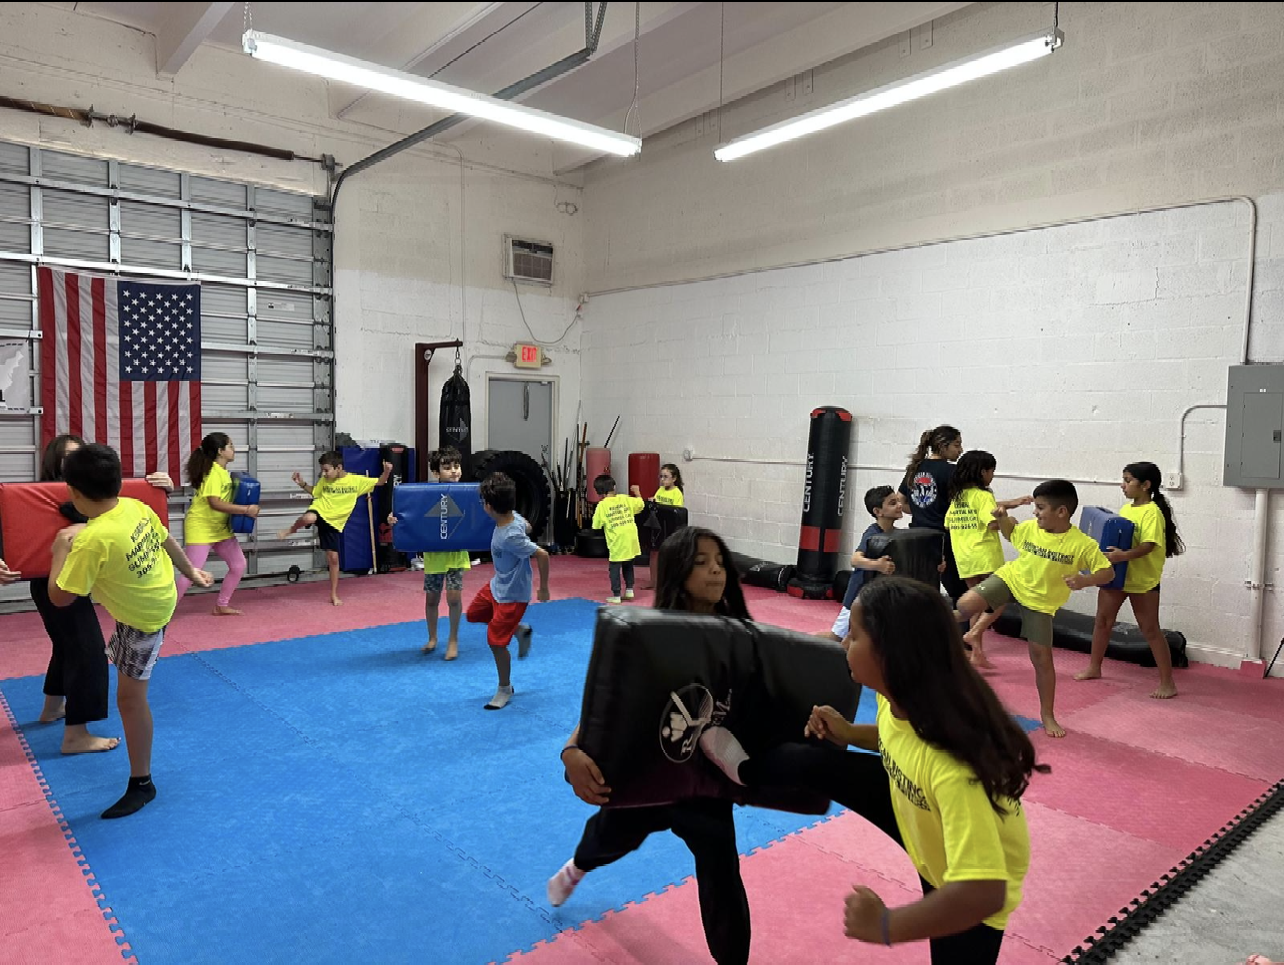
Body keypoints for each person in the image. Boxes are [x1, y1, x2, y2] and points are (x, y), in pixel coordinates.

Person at [701, 576, 1046, 965]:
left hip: (966, 882)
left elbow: (984, 892)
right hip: (914, 805)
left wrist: (885, 925)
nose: (845, 645)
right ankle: (743, 770)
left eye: (855, 636)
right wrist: (849, 733)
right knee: (807, 761)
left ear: (891, 653)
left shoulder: (954, 771)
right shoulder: (899, 697)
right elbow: (896, 736)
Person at [548, 526, 752, 965]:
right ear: (679, 573)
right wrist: (570, 754)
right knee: (608, 837)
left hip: (703, 785)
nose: (715, 569)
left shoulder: (740, 637)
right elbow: (603, 706)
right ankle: (579, 865)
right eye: (701, 562)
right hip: (647, 774)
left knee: (722, 873)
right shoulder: (645, 636)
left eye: (720, 559)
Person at [47, 443, 212, 818]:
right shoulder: (135, 506)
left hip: (145, 617)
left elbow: (59, 598)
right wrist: (191, 572)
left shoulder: (91, 540)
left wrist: (60, 549)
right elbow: (166, 539)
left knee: (130, 700)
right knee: (120, 662)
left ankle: (143, 783)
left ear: (72, 491)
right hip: (156, 596)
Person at [31, 434, 170, 754]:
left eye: (81, 457)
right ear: (55, 465)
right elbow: (15, 531)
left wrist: (161, 487)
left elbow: (122, 506)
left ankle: (53, 707)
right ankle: (76, 735)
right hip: (50, 580)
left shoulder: (93, 499)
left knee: (67, 646)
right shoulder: (37, 499)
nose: (76, 464)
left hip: (77, 579)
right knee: (89, 650)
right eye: (67, 459)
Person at [955, 480, 1114, 738]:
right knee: (964, 606)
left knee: (1041, 660)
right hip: (1011, 578)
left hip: (1040, 602)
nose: (1035, 512)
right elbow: (1010, 533)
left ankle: (1047, 715)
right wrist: (1004, 518)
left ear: (1061, 512)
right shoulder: (1030, 528)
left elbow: (1107, 572)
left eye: (1040, 508)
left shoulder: (1082, 544)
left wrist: (1085, 580)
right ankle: (922, 630)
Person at [1075, 461, 1185, 698]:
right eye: (1123, 480)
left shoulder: (1152, 512)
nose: (1122, 485)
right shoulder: (1127, 509)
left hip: (1143, 580)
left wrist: (1122, 555)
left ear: (1145, 485)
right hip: (1118, 575)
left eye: (1127, 481)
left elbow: (1148, 545)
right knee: (1103, 620)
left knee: (1150, 629)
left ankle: (1168, 682)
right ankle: (1094, 667)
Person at [465, 473, 549, 710]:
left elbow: (542, 555)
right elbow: (528, 525)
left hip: (513, 596)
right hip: (496, 587)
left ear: (488, 507)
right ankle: (519, 630)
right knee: (473, 614)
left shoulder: (510, 535)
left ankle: (505, 688)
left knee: (495, 642)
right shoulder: (514, 518)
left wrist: (543, 588)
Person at [944, 451, 1032, 668]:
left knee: (976, 604)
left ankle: (976, 653)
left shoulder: (957, 497)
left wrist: (1012, 503)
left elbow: (949, 524)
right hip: (984, 555)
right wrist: (1009, 520)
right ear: (983, 472)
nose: (992, 475)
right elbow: (992, 522)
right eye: (992, 471)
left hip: (964, 558)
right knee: (1001, 597)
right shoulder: (983, 496)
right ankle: (973, 633)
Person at [278, 451, 393, 606]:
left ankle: (333, 594)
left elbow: (380, 482)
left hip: (334, 523)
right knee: (309, 518)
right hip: (320, 511)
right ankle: (291, 530)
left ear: (338, 467)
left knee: (333, 559)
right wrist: (302, 484)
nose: (324, 473)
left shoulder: (356, 481)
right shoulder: (325, 480)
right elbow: (315, 492)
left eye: (326, 470)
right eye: (322, 470)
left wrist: (386, 471)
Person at [175, 432, 257, 615]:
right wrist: (246, 510)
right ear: (220, 451)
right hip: (201, 528)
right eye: (230, 446)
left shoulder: (223, 473)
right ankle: (163, 612)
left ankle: (221, 605)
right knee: (191, 573)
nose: (234, 449)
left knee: (238, 565)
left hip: (220, 528)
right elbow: (215, 502)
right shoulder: (213, 472)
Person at [818, 486, 902, 643]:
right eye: (892, 503)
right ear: (878, 511)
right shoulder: (872, 533)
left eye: (898, 501)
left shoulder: (896, 535)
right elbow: (855, 560)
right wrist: (877, 564)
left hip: (875, 597)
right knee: (835, 638)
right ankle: (802, 644)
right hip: (857, 595)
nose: (899, 505)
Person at [900, 425, 966, 607]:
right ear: (943, 445)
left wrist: (922, 509)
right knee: (957, 588)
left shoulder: (916, 467)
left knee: (921, 584)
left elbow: (901, 501)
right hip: (941, 536)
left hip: (917, 534)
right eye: (957, 445)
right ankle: (958, 630)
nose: (960, 450)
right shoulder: (951, 471)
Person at [419, 446, 470, 660]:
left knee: (454, 597)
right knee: (432, 598)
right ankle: (432, 637)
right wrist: (395, 519)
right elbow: (411, 514)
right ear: (436, 472)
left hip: (456, 554)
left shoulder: (468, 493)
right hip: (434, 555)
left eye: (456, 466)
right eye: (447, 468)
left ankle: (453, 639)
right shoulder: (426, 495)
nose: (454, 471)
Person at [591, 474, 645, 603]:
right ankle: (630, 590)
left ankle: (616, 595)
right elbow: (641, 505)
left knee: (614, 567)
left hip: (617, 540)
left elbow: (596, 525)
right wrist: (637, 492)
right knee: (628, 564)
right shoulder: (625, 498)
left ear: (598, 492)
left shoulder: (602, 506)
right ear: (614, 487)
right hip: (631, 538)